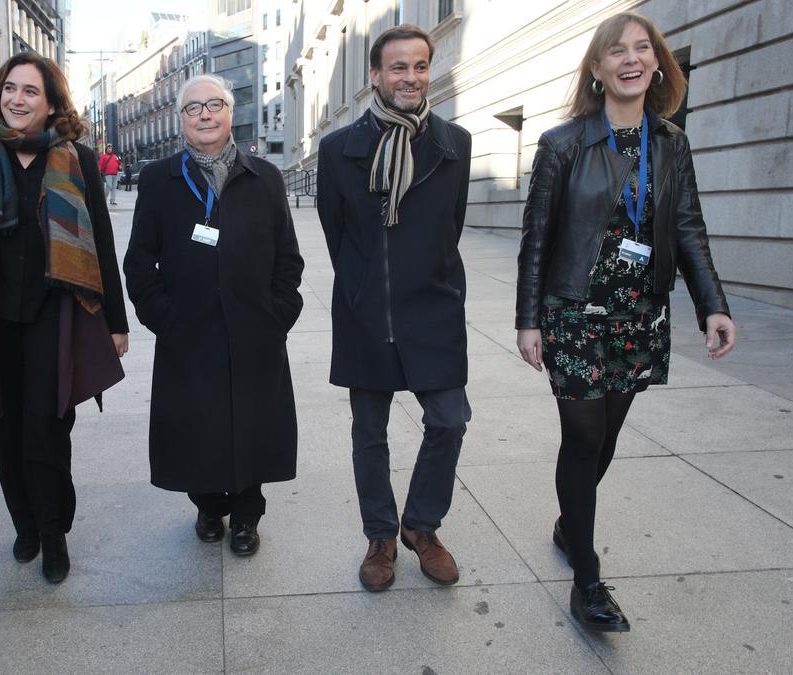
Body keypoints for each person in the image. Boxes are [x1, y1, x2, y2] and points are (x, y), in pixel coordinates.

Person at [516, 11, 737, 633]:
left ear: (658, 63)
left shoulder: (672, 142)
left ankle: (568, 522)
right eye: (616, 51)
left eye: (643, 48)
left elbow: (688, 227)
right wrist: (527, 319)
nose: (631, 59)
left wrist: (712, 305)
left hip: (639, 314)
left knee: (606, 438)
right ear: (596, 68)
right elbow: (537, 237)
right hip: (573, 312)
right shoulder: (563, 143)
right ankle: (586, 577)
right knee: (583, 437)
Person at [0, 52, 129, 585]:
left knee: (49, 427)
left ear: (52, 102)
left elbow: (101, 240)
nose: (17, 99)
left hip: (53, 312)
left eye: (30, 92)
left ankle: (55, 533)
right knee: (2, 424)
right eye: (10, 89)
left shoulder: (76, 157)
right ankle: (25, 525)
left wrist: (115, 320)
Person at [316, 25, 472, 592]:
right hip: (365, 312)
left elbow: (448, 230)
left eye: (420, 66)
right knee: (369, 433)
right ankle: (380, 535)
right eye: (398, 67)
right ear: (376, 75)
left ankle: (421, 527)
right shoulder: (338, 152)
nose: (410, 77)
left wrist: (431, 283)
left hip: (433, 311)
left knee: (450, 420)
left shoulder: (456, 144)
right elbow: (340, 237)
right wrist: (363, 287)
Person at [124, 74, 303, 556]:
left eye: (214, 105)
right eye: (193, 108)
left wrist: (278, 313)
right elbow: (140, 261)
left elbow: (288, 257)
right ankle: (207, 504)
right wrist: (163, 317)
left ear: (230, 113)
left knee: (253, 423)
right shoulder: (160, 179)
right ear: (182, 121)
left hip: (254, 329)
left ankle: (246, 516)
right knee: (196, 424)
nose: (205, 114)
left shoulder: (264, 176)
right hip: (188, 331)